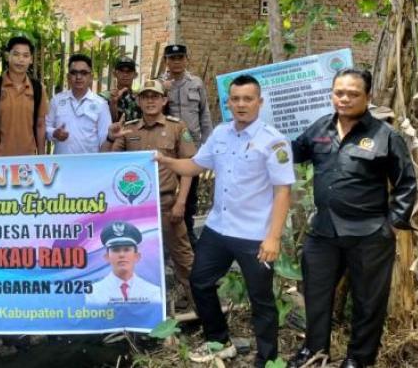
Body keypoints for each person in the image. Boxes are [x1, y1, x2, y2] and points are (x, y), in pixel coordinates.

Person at [157, 74, 295, 368]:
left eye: (248, 99)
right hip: (218, 229)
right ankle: (220, 342)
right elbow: (195, 165)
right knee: (199, 281)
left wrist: (273, 237)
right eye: (236, 99)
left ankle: (267, 358)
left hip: (255, 234)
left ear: (259, 102)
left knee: (261, 299)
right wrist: (167, 161)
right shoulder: (220, 134)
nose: (241, 104)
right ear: (228, 102)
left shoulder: (274, 141)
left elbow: (283, 191)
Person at [287, 69, 417, 368]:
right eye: (339, 92)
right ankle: (314, 350)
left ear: (368, 97)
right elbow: (294, 152)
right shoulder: (320, 127)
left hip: (369, 234)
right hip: (323, 231)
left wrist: (392, 224)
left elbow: (407, 183)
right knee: (316, 293)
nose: (344, 99)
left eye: (353, 94)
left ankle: (359, 358)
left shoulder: (385, 136)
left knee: (368, 300)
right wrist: (266, 139)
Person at [103, 79, 195, 309]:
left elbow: (188, 166)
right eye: (145, 97)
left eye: (155, 96)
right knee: (136, 258)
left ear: (164, 100)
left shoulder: (176, 127)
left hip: (166, 204)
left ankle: (199, 305)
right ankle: (139, 309)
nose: (150, 101)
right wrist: (112, 137)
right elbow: (107, 162)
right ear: (138, 101)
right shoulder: (129, 129)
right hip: (135, 208)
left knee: (183, 257)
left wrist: (181, 202)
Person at [161, 44, 213, 247]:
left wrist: (208, 144)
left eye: (180, 58)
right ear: (166, 61)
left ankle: (189, 234)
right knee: (167, 193)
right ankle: (166, 238)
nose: (176, 62)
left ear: (186, 59)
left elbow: (204, 114)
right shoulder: (159, 84)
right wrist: (163, 89)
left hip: (192, 149)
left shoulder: (196, 83)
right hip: (168, 149)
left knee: (190, 193)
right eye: (172, 58)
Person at [0, 36, 48, 157]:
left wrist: (41, 158)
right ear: (7, 56)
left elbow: (40, 125)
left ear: (31, 59)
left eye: (25, 56)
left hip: (27, 160)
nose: (20, 59)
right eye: (16, 54)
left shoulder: (38, 88)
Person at [46, 53, 111, 154]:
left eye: (84, 73)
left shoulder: (101, 104)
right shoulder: (56, 100)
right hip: (61, 162)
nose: (78, 77)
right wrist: (54, 133)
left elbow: (105, 138)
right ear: (68, 77)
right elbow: (45, 128)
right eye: (74, 73)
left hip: (89, 162)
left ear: (91, 77)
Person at [85, 221, 162, 305]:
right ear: (107, 257)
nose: (121, 255)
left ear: (137, 256)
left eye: (127, 249)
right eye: (116, 250)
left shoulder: (153, 292)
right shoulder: (93, 293)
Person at [100, 56, 142, 123]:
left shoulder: (140, 98)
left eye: (129, 71)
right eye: (121, 71)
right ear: (114, 74)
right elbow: (108, 121)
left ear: (135, 75)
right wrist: (113, 103)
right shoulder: (104, 97)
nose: (125, 74)